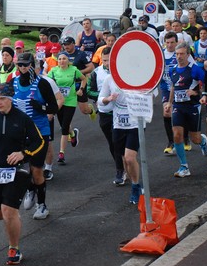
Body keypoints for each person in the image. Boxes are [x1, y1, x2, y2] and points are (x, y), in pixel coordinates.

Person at [0, 83, 45, 265]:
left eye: (2, 99)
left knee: (7, 211)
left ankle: (14, 249)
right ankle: (13, 216)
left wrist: (24, 153)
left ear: (11, 99)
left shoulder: (23, 119)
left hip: (18, 170)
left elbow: (39, 141)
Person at [8, 53, 58, 220]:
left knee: (36, 169)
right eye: (20, 65)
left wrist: (40, 107)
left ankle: (42, 205)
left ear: (32, 65)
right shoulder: (12, 83)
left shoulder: (42, 84)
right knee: (23, 169)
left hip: (40, 133)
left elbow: (53, 108)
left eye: (26, 65)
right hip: (20, 133)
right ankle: (30, 188)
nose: (22, 68)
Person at [98, 69, 143, 204]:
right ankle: (135, 184)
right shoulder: (110, 79)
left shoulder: (137, 75)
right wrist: (108, 99)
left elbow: (152, 92)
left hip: (135, 124)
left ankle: (135, 187)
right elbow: (100, 100)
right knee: (125, 159)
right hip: (118, 125)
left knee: (130, 158)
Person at [166, 42, 207, 177]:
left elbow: (206, 83)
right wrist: (169, 102)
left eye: (182, 54)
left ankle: (203, 141)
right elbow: (173, 86)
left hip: (192, 107)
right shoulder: (172, 69)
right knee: (177, 135)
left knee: (195, 139)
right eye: (177, 54)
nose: (179, 57)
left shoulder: (195, 69)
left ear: (188, 55)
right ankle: (184, 167)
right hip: (178, 107)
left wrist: (199, 94)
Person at [90, 48, 128, 186]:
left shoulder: (122, 72)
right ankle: (121, 166)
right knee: (112, 143)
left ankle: (122, 168)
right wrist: (103, 96)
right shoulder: (96, 73)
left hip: (120, 113)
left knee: (119, 142)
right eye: (104, 60)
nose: (107, 63)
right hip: (105, 112)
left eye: (109, 60)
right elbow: (90, 90)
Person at [47, 52, 88, 164]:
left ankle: (61, 153)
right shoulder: (54, 71)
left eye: (64, 59)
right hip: (59, 102)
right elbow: (46, 83)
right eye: (60, 59)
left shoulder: (74, 70)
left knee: (64, 127)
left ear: (68, 60)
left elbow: (84, 79)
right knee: (63, 124)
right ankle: (73, 134)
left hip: (70, 101)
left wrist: (81, 90)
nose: (61, 61)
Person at [60, 36, 96, 121]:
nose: (66, 47)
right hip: (67, 85)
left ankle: (90, 110)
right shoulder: (62, 55)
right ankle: (67, 129)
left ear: (73, 44)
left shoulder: (81, 54)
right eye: (64, 45)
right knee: (64, 109)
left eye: (68, 44)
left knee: (84, 110)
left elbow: (91, 67)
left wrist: (78, 73)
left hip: (80, 83)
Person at [160, 33, 179, 154]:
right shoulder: (160, 54)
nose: (170, 45)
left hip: (180, 88)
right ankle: (171, 142)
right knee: (167, 112)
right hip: (166, 88)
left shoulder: (180, 53)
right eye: (168, 42)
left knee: (179, 114)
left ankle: (184, 137)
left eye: (172, 42)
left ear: (176, 43)